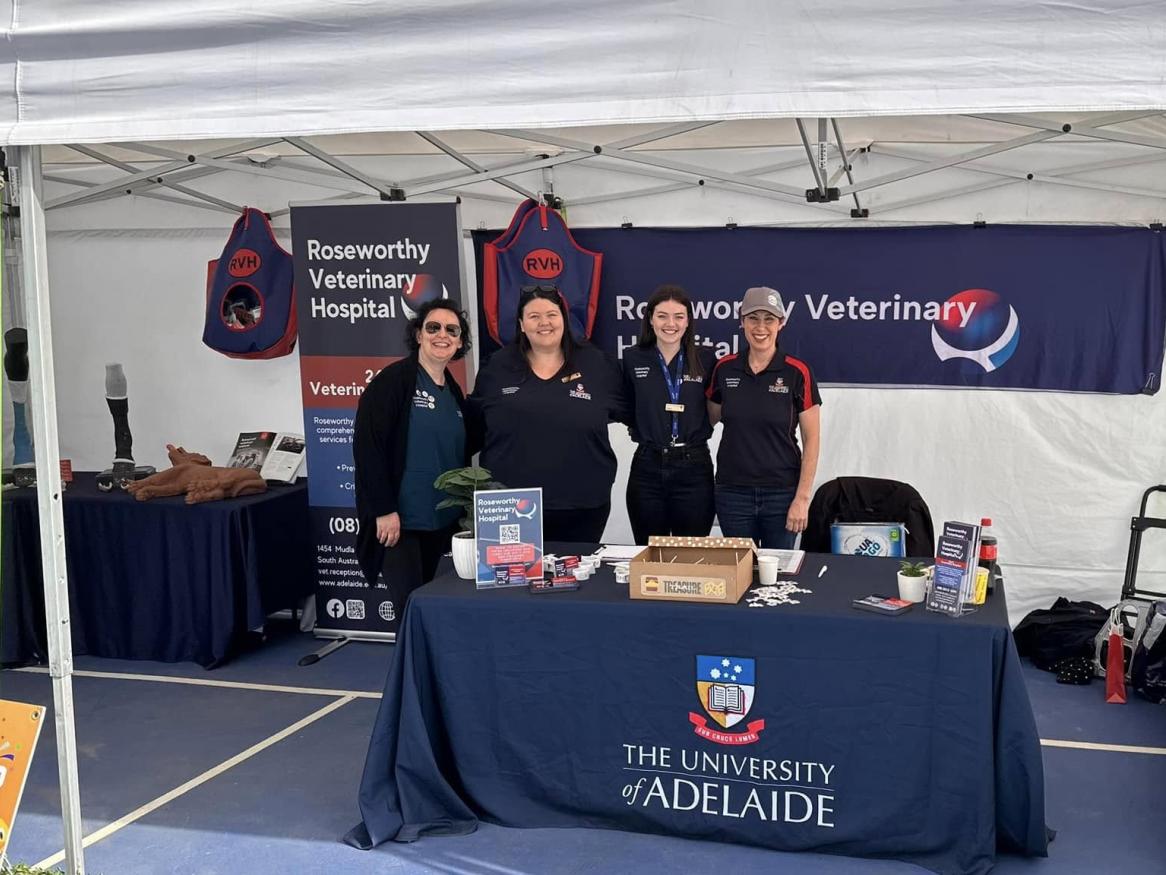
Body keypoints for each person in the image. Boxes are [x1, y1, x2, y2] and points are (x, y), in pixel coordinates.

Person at [470, 285, 626, 543]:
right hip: (509, 504)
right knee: (511, 582)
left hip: (582, 505)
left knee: (578, 581)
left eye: (552, 314)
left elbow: (632, 413)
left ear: (564, 319)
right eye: (534, 316)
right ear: (521, 324)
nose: (544, 322)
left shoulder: (599, 365)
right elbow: (474, 426)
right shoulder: (495, 367)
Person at [353, 299, 475, 594]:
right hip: (401, 523)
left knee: (437, 605)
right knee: (409, 608)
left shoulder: (453, 390)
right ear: (419, 334)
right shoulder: (393, 382)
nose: (442, 335)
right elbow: (367, 448)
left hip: (444, 522)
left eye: (451, 330)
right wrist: (383, 510)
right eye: (433, 327)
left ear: (459, 342)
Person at [706, 286, 821, 549]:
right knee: (740, 573)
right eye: (753, 318)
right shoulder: (724, 368)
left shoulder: (797, 372)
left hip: (782, 494)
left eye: (769, 319)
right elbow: (708, 419)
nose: (761, 327)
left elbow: (812, 440)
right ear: (742, 322)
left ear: (781, 323)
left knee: (777, 577)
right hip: (732, 492)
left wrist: (802, 498)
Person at [622, 285, 717, 543]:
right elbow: (625, 406)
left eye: (679, 316)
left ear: (688, 322)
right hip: (647, 467)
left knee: (693, 554)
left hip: (694, 466)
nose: (670, 323)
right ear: (650, 319)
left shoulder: (706, 359)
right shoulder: (632, 358)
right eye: (662, 315)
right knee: (651, 552)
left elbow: (716, 407)